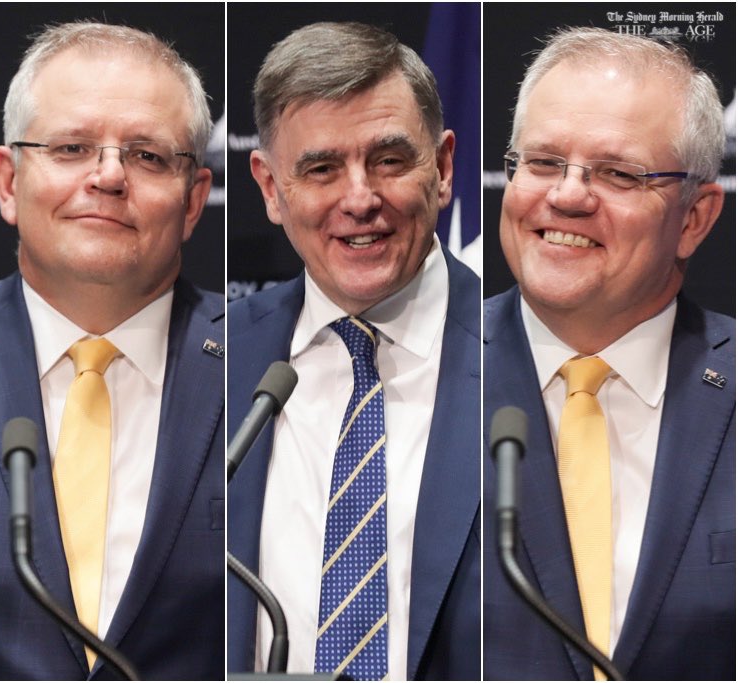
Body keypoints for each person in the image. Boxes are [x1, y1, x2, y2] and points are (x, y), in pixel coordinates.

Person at [227, 22, 480, 681]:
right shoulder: (210, 363)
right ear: (270, 187)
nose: (360, 198)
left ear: (445, 167)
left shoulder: (527, 351)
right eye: (320, 168)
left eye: (390, 160)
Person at [0, 22, 224, 680]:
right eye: (73, 147)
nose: (109, 176)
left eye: (147, 156)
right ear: (7, 180)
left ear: (195, 201)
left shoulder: (271, 363)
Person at [483, 27, 733, 680]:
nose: (566, 194)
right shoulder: (412, 376)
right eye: (541, 162)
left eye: (618, 172)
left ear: (695, 217)